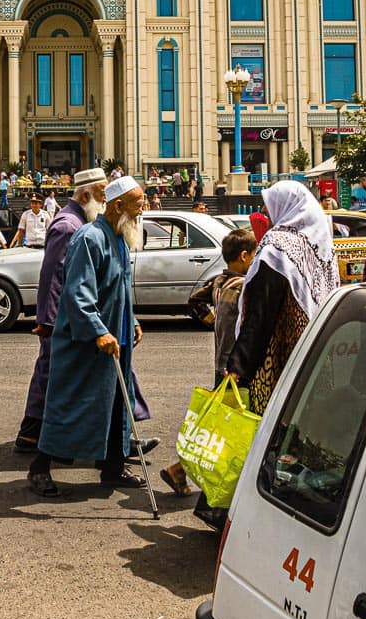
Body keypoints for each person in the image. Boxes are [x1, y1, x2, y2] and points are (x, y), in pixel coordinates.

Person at [28, 175, 147, 497]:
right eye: (138, 204)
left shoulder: (120, 236)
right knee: (72, 405)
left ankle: (113, 467)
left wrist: (132, 320)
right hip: (87, 340)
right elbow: (77, 292)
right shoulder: (89, 237)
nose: (143, 209)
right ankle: (40, 467)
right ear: (118, 206)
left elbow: (119, 287)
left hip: (116, 336)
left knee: (116, 405)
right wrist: (99, 331)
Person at [15, 167, 108, 452]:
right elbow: (53, 276)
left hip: (72, 316)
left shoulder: (80, 222)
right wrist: (49, 320)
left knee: (60, 374)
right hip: (64, 319)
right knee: (52, 373)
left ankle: (39, 435)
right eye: (102, 194)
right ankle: (32, 436)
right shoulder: (69, 226)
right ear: (86, 195)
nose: (106, 201)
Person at [226, 181, 337, 416]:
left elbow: (260, 311)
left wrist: (239, 364)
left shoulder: (277, 248)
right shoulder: (320, 247)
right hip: (313, 353)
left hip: (277, 359)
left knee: (272, 422)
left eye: (269, 210)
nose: (266, 217)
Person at [162, 227, 257, 498]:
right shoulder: (242, 287)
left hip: (222, 362)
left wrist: (213, 323)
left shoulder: (218, 281)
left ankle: (180, 469)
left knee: (218, 423)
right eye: (254, 255)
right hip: (235, 367)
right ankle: (180, 469)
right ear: (244, 256)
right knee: (223, 427)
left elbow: (195, 302)